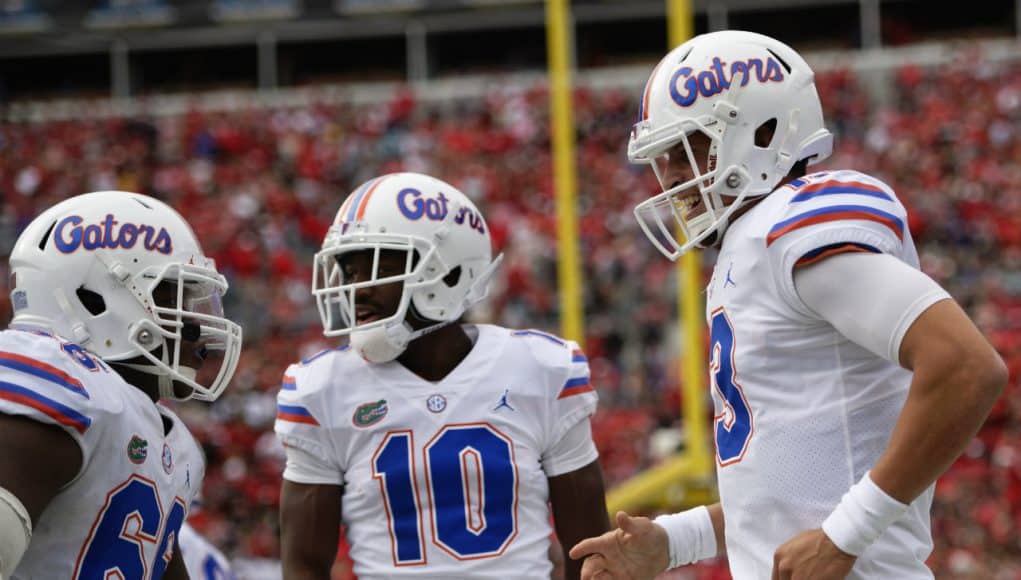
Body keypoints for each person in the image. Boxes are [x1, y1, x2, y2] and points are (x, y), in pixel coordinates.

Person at [569, 30, 1007, 580]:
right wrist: (673, 541)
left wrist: (844, 537)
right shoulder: (751, 245)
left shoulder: (788, 229)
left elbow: (967, 368)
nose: (675, 177)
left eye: (690, 148)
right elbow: (791, 487)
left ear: (764, 129)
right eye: (664, 158)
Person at [276, 171, 610, 579]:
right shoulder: (322, 389)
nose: (357, 290)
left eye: (376, 266)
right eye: (350, 272)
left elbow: (592, 555)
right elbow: (303, 567)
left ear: (450, 272)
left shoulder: (541, 370)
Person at [0, 191, 243, 580]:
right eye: (171, 297)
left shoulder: (171, 441)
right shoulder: (55, 382)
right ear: (95, 297)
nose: (197, 331)